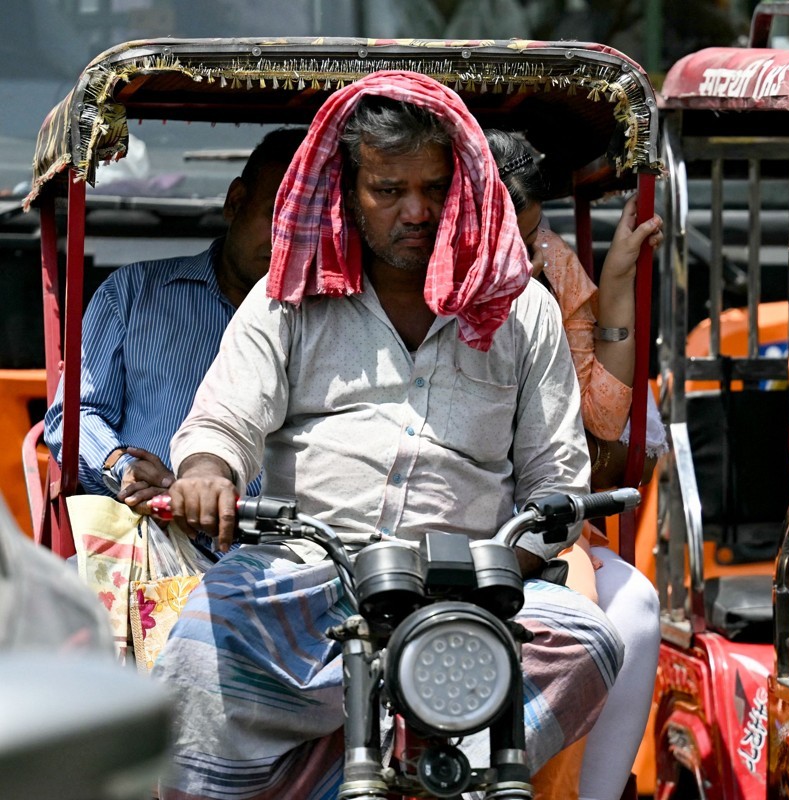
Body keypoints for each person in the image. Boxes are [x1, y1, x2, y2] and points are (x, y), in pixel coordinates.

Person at [154, 72, 622, 798]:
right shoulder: (289, 295)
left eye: (435, 188)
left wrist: (509, 566)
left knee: (591, 640)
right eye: (388, 189)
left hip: (469, 591)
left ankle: (440, 774)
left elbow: (554, 475)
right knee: (195, 653)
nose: (417, 211)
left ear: (463, 187)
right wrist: (209, 470)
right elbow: (223, 421)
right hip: (307, 576)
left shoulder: (523, 311)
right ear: (347, 190)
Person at [487, 129, 664, 800]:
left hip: (535, 521)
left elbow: (599, 425)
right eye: (511, 239)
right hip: (425, 520)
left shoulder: (547, 270)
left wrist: (614, 285)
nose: (524, 257)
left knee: (636, 609)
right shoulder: (405, 280)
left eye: (533, 237)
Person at [43, 128, 306, 519]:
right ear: (235, 202)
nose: (289, 240)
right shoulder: (133, 292)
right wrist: (124, 470)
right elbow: (74, 417)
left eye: (309, 225)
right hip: (151, 530)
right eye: (278, 216)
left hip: (285, 547)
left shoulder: (331, 317)